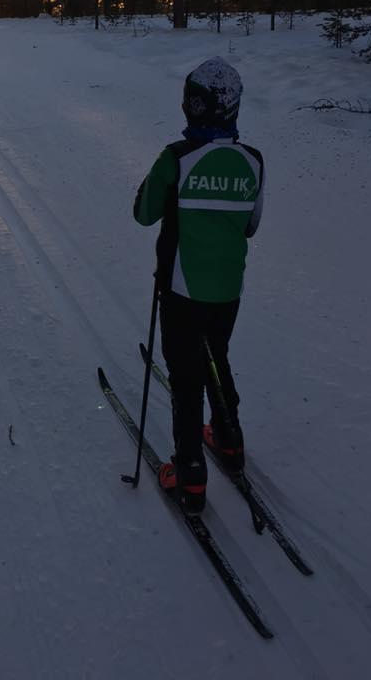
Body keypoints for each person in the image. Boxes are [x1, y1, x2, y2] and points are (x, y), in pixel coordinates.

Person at [133, 57, 264, 514]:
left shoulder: (177, 157)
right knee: (217, 356)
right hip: (227, 291)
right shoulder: (253, 161)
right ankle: (229, 441)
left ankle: (190, 474)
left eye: (194, 100)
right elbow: (250, 225)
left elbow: (143, 212)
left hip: (181, 291)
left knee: (186, 377)